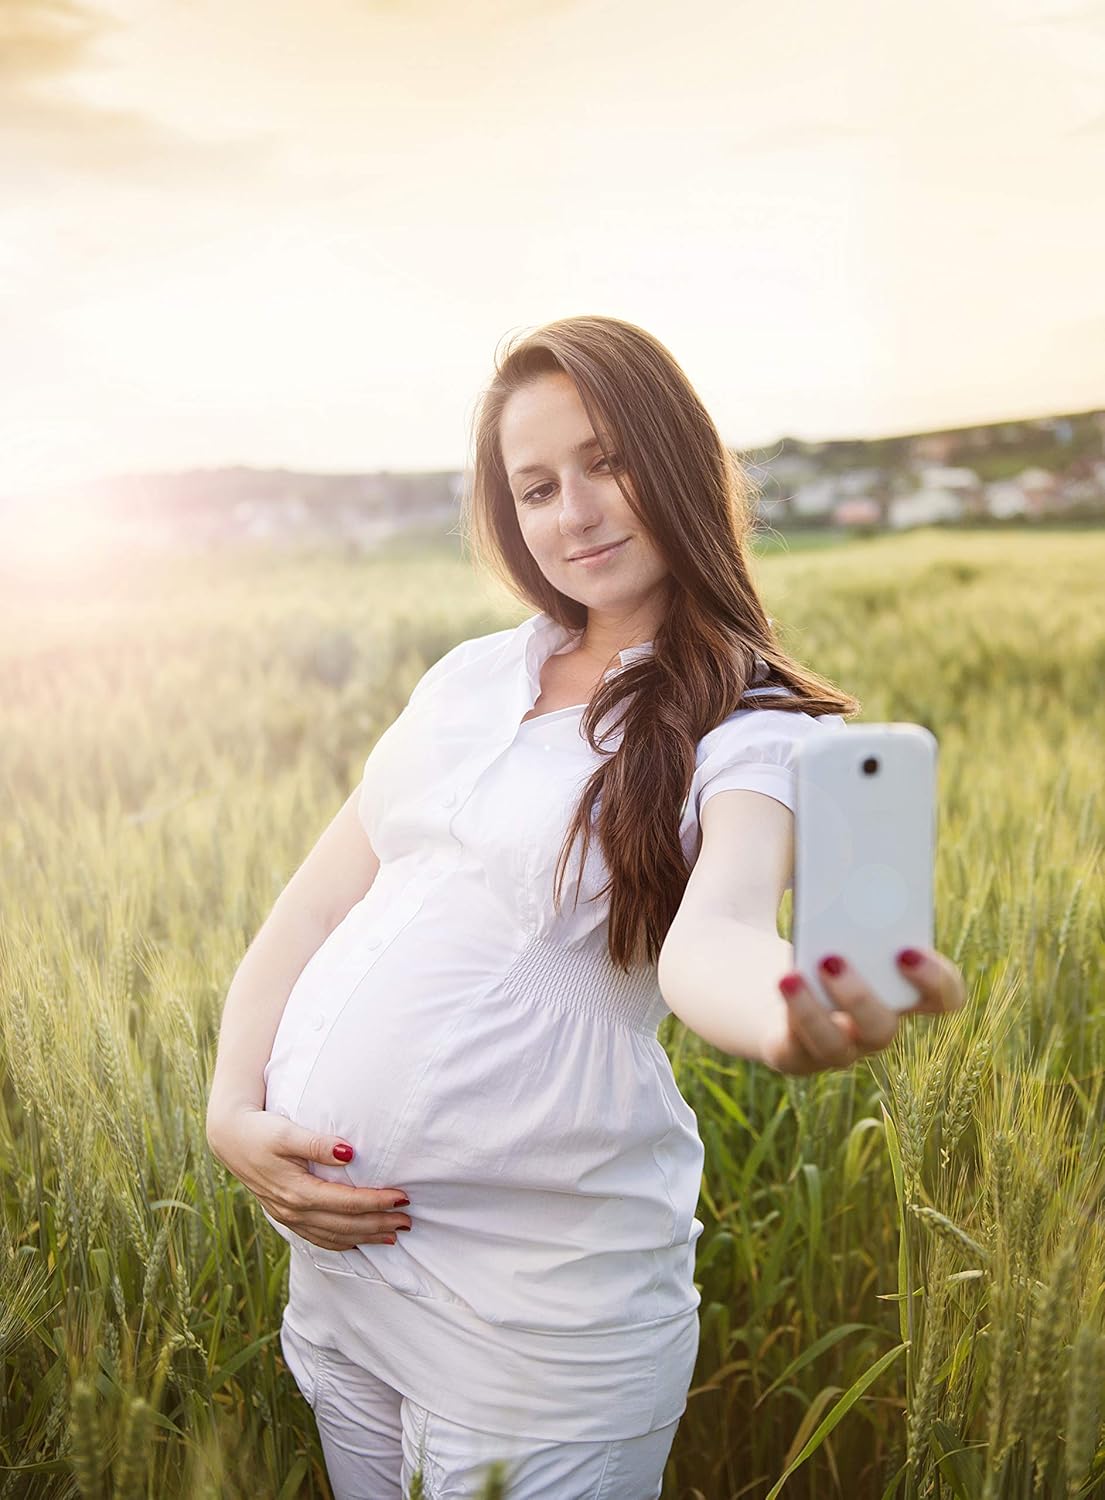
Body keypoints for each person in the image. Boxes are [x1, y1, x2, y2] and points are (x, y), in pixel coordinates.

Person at [205, 315, 968, 1500]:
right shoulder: (468, 676)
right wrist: (227, 1111)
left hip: (536, 1323)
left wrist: (787, 1010)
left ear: (675, 458)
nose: (577, 510)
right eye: (537, 485)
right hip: (350, 1287)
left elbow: (712, 935)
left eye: (607, 460)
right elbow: (313, 909)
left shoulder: (746, 723)